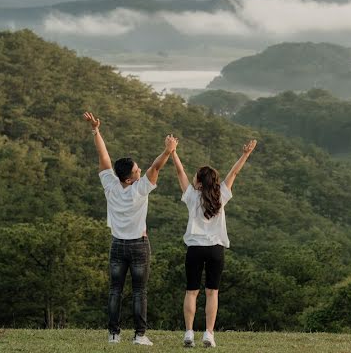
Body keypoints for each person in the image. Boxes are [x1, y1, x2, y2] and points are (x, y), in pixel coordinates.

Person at [84, 111, 178, 346]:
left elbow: (103, 155)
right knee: (139, 292)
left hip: (117, 245)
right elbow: (156, 167)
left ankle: (114, 334)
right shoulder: (139, 189)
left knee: (115, 290)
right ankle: (139, 335)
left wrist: (96, 130)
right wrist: (168, 150)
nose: (140, 171)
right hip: (138, 245)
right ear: (129, 179)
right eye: (136, 171)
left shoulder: (111, 185)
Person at [169, 138, 257, 348]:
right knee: (212, 292)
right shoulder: (221, 195)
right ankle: (209, 333)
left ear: (198, 181)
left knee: (191, 291)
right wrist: (245, 154)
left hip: (195, 249)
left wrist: (173, 153)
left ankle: (189, 332)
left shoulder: (191, 196)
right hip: (216, 250)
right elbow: (233, 173)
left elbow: (180, 173)